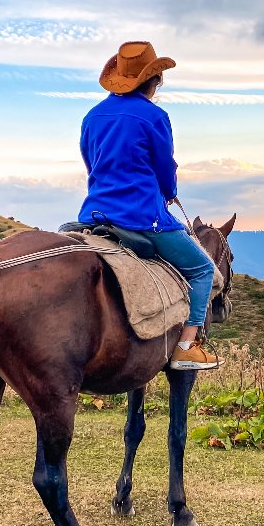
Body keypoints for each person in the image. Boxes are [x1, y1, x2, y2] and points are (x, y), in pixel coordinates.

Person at [78, 41, 219, 370]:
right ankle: (186, 346)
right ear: (153, 81)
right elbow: (164, 168)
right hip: (142, 217)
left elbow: (92, 165)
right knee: (202, 270)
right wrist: (169, 191)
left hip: (96, 213)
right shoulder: (154, 116)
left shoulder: (92, 116)